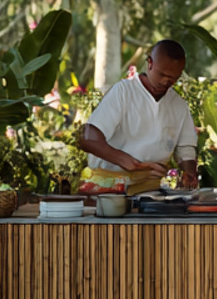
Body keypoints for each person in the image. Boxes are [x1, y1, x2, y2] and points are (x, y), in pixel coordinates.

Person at [78, 39, 199, 194]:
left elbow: (186, 149)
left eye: (173, 78)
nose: (166, 81)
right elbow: (87, 138)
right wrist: (126, 161)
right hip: (108, 190)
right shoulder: (123, 92)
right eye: (162, 74)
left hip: (151, 192)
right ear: (149, 63)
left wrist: (189, 175)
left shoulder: (179, 105)